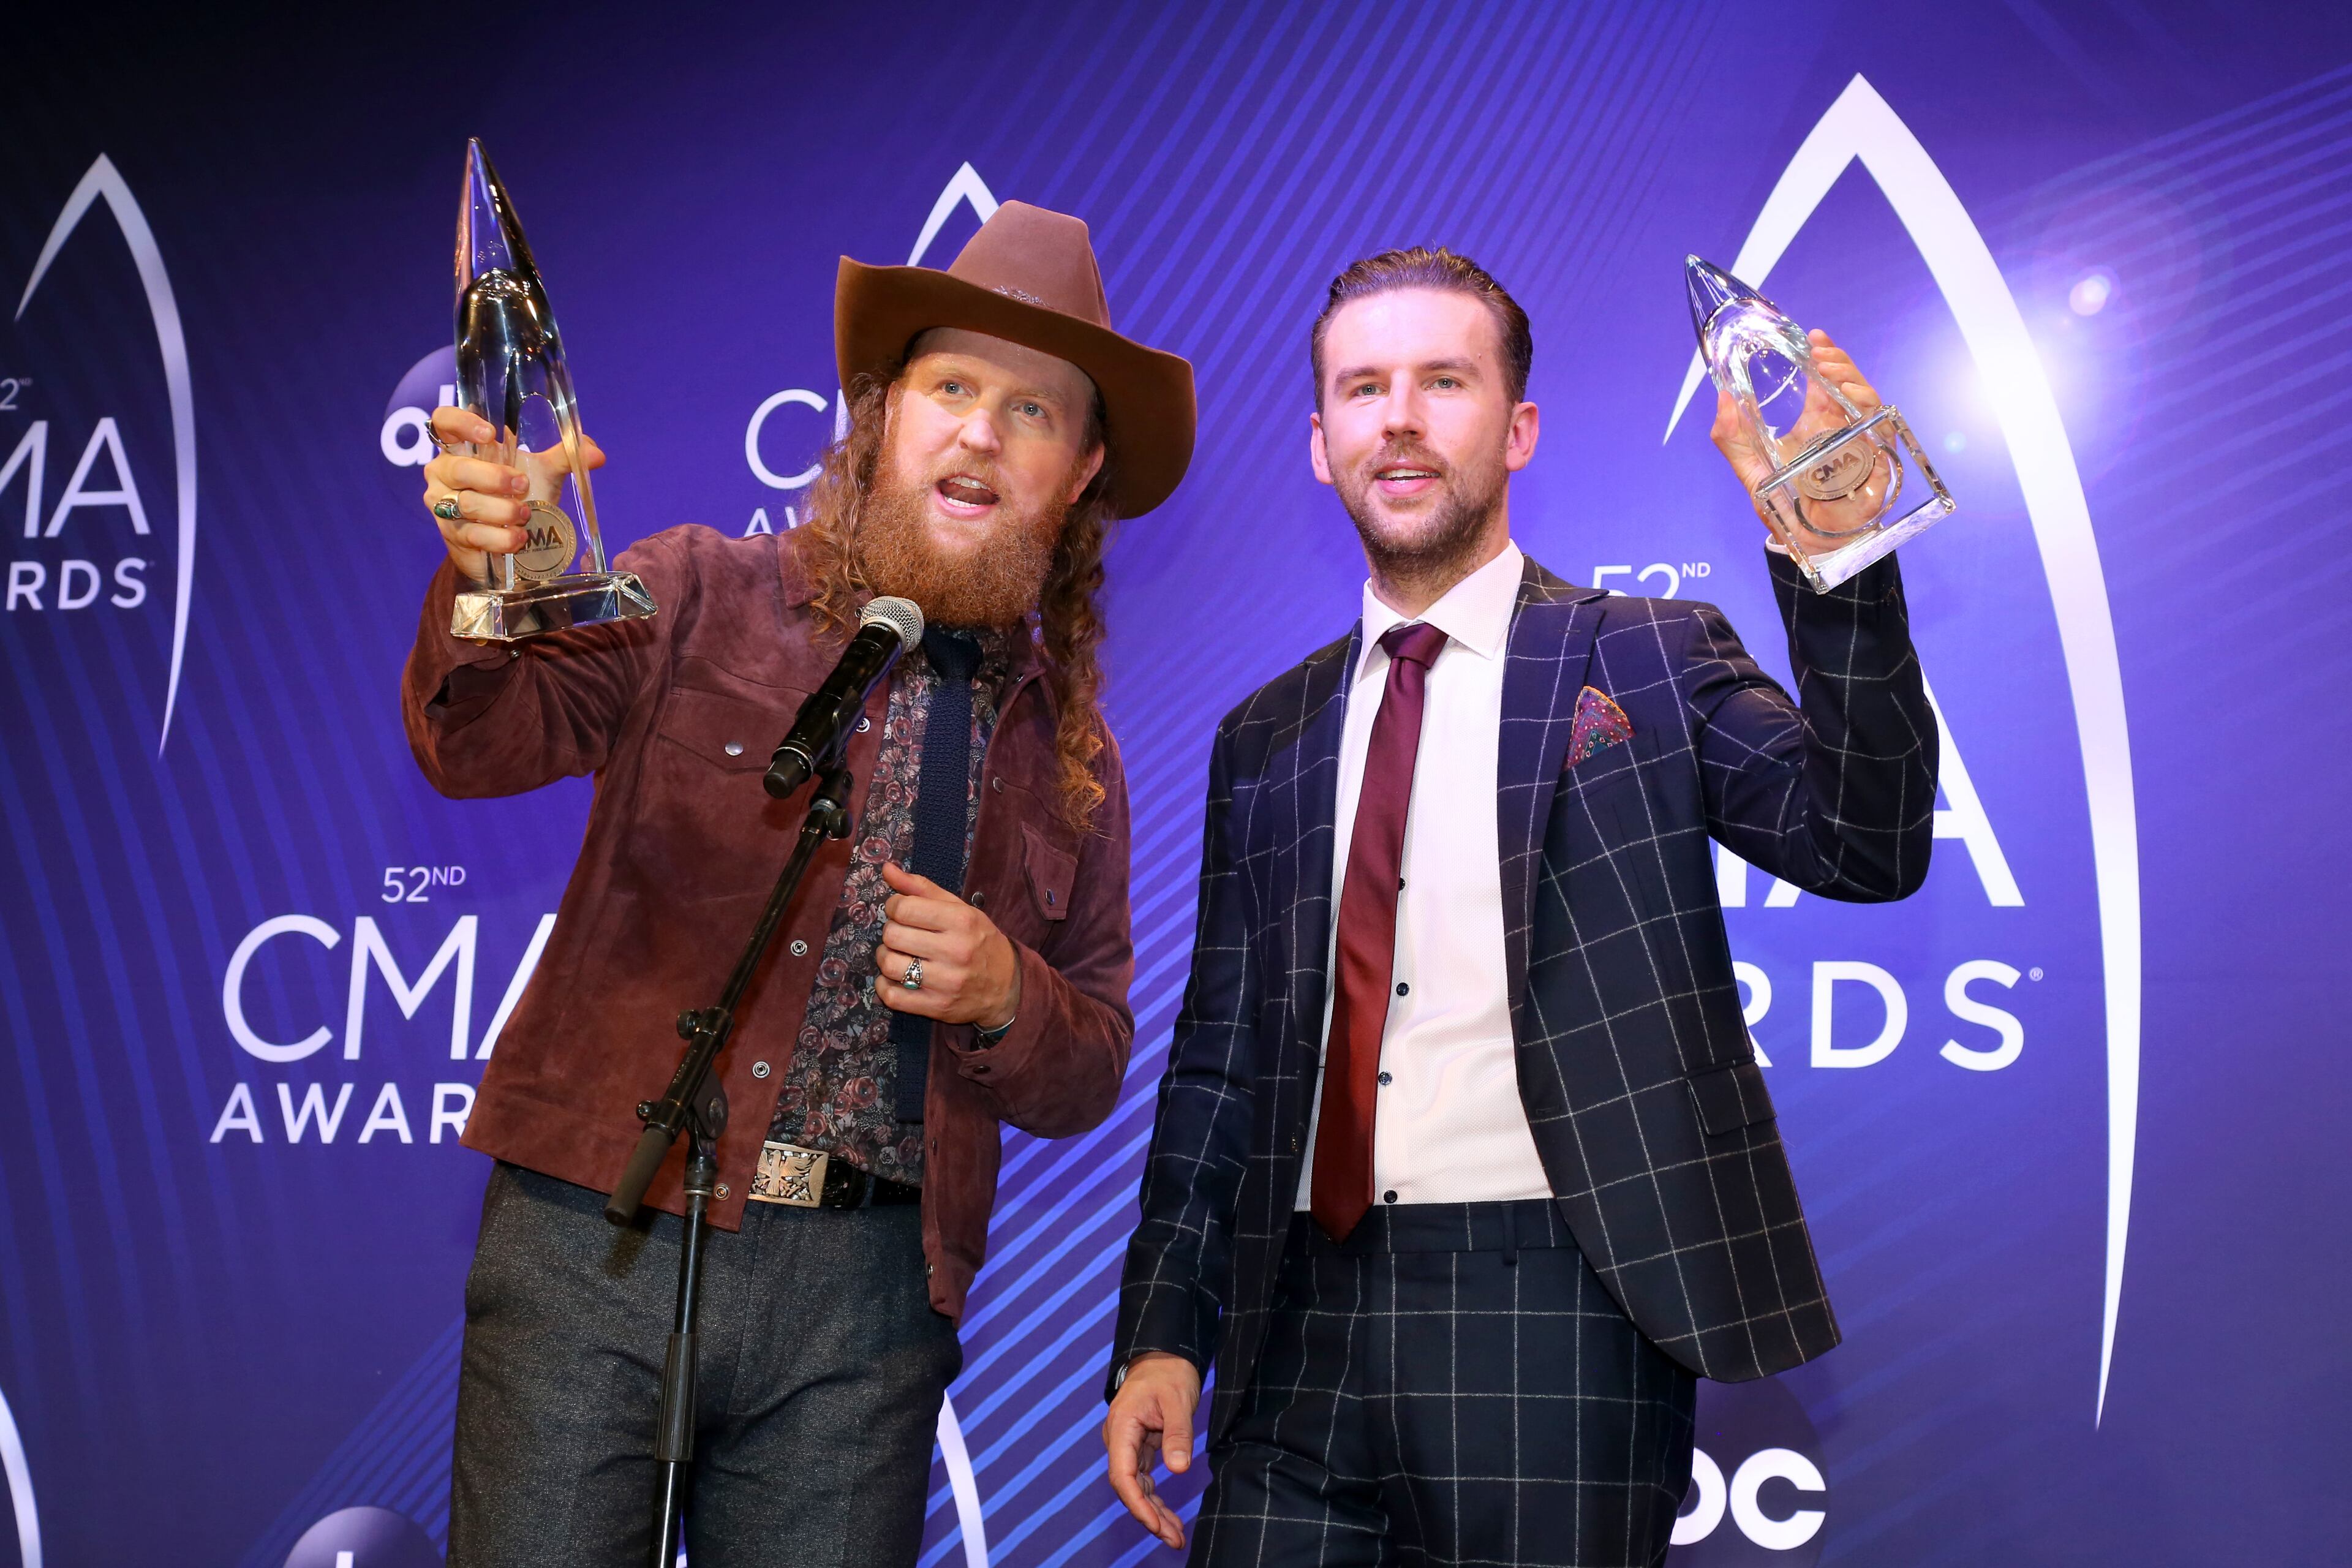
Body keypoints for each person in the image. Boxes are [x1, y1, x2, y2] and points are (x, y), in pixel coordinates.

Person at [1101, 247, 1935, 1567]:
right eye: (1363, 388)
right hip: (1298, 1321)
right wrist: (1160, 1326)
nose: (1402, 416)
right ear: (1322, 445)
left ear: (1519, 425)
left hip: (1558, 1306)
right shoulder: (1266, 735)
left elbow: (1867, 839)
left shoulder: (1649, 658)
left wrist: (1841, 561)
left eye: (1445, 378)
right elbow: (1218, 1061)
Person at [406, 201, 1194, 1567]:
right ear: (885, 416)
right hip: (602, 1232)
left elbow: (1090, 1065)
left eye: (1032, 413)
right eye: (952, 387)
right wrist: (491, 576)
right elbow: (480, 736)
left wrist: (1009, 992)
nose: (979, 433)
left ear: (1077, 476)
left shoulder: (1077, 758)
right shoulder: (698, 589)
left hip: (867, 1307)